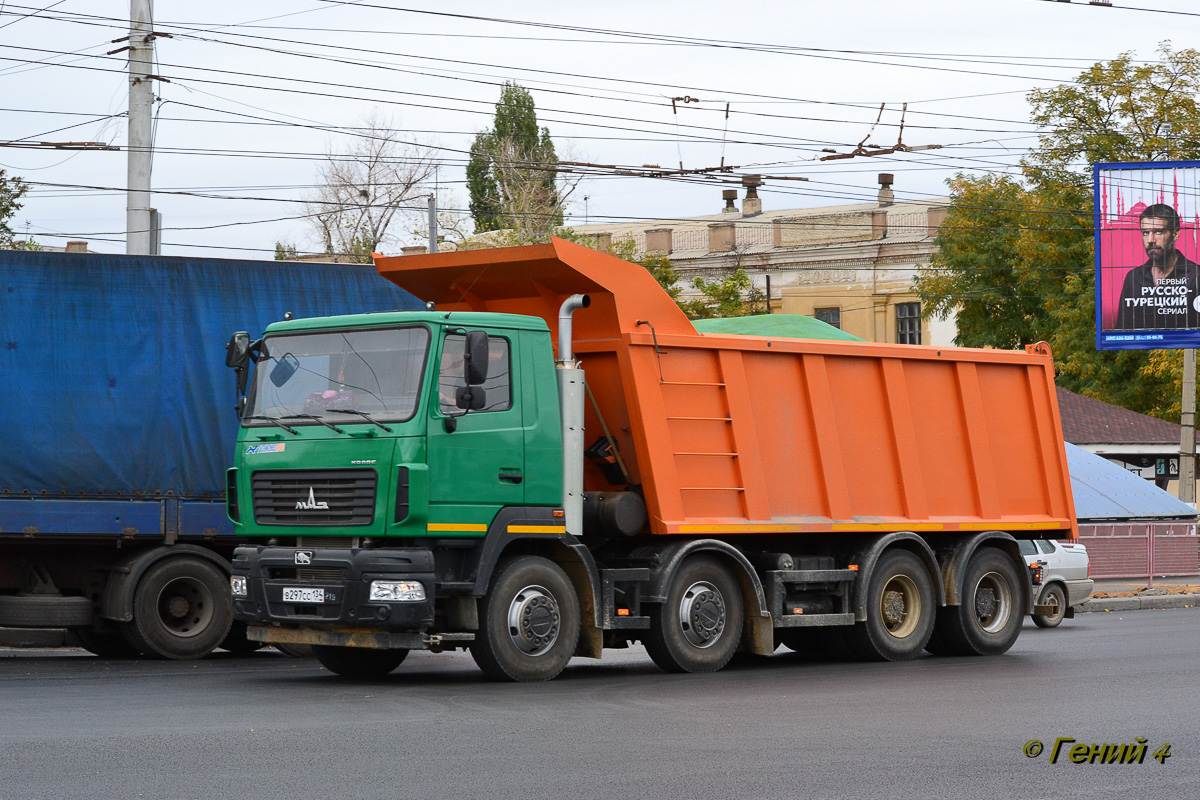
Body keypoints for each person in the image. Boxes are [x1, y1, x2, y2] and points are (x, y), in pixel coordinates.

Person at [1114, 203, 1200, 330]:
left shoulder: (1196, 276)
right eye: (1145, 232)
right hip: (1142, 349)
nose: (1150, 240)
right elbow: (1122, 330)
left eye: (1158, 232)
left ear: (1175, 234)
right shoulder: (1133, 278)